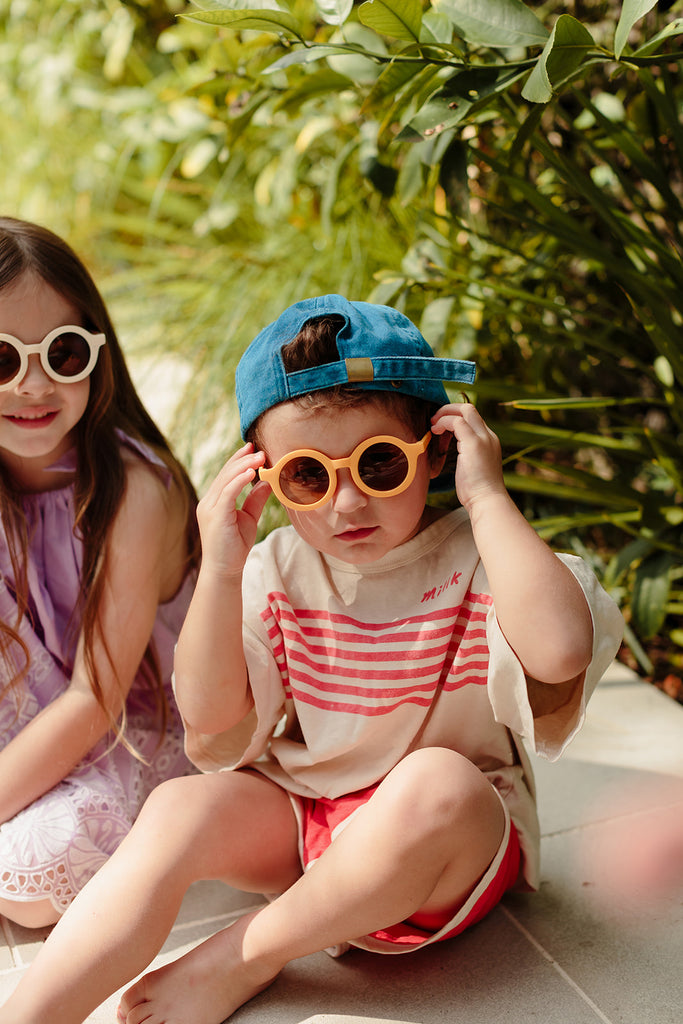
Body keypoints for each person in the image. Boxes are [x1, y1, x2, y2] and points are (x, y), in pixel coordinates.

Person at [0, 294, 623, 1024]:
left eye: (380, 464)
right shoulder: (277, 567)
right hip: (310, 822)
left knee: (437, 784)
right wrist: (224, 564)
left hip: (437, 850)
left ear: (439, 451)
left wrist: (486, 498)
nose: (345, 501)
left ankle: (245, 954)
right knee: (177, 806)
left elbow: (557, 650)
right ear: (267, 481)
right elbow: (210, 721)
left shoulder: (482, 556)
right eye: (307, 476)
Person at [0, 216, 200, 929]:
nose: (33, 384)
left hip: (125, 728)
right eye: (1, 359)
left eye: (61, 352)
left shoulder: (134, 491)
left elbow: (96, 698)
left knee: (30, 880)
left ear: (97, 355)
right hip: (27, 718)